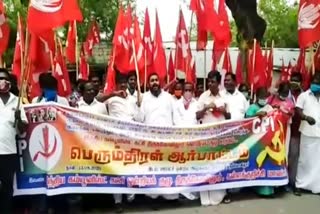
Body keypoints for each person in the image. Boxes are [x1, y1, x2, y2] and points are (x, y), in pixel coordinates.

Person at [136, 73, 179, 202]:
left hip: (168, 139)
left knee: (167, 167)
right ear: (148, 84)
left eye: (156, 80)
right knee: (153, 168)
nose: (154, 82)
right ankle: (153, 196)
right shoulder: (144, 98)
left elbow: (175, 117)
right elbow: (139, 119)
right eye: (152, 80)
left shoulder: (168, 98)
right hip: (151, 140)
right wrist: (138, 106)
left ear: (159, 82)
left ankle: (170, 196)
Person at [196, 71, 230, 206]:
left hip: (220, 137)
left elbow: (229, 117)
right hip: (206, 137)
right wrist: (205, 108)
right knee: (206, 167)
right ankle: (205, 197)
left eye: (213, 82)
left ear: (218, 82)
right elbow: (197, 116)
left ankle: (220, 195)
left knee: (219, 166)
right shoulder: (203, 97)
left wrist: (223, 111)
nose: (210, 84)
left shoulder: (224, 97)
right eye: (209, 82)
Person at [0, 68, 28, 213]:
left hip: (8, 153)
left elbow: (22, 130)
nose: (2, 81)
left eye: (5, 79)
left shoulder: (16, 102)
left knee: (7, 188)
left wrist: (18, 118)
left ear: (10, 82)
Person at [245, 87, 275, 197]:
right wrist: (256, 115)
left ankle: (268, 188)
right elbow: (246, 121)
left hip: (267, 140)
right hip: (255, 141)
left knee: (267, 163)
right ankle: (255, 186)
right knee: (257, 163)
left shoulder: (269, 108)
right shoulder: (252, 108)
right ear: (257, 97)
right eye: (262, 97)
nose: (264, 99)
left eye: (265, 97)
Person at [295, 73, 320, 195]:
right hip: (307, 132)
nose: (316, 83)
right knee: (304, 160)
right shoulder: (303, 96)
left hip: (319, 133)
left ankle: (316, 187)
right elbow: (298, 110)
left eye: (318, 82)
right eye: (314, 81)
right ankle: (299, 185)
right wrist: (305, 117)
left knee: (317, 162)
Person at [268, 82, 295, 159]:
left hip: (284, 129)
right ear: (279, 91)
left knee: (283, 148)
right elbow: (266, 108)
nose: (284, 94)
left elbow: (292, 114)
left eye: (286, 93)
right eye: (283, 92)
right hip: (272, 128)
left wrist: (283, 110)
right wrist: (274, 107)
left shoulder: (290, 102)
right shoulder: (271, 98)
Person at [288, 72, 303, 191]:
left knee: (294, 157)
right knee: (283, 157)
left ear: (301, 83)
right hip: (284, 131)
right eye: (292, 80)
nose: (294, 82)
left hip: (297, 132)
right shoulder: (284, 94)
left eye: (296, 80)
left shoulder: (304, 96)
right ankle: (281, 182)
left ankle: (292, 183)